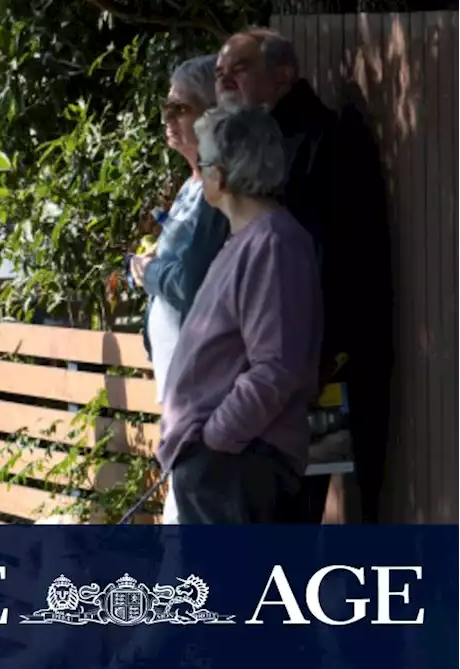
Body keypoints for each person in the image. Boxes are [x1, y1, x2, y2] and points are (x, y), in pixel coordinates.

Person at [216, 28, 393, 523]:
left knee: (289, 515)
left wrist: (319, 360)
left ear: (285, 75)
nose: (226, 82)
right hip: (269, 373)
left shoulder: (319, 142)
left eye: (241, 69)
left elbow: (334, 265)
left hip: (309, 370)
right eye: (219, 73)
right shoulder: (258, 142)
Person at [159, 104, 323, 524]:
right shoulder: (247, 239)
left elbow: (276, 366)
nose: (202, 170)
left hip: (239, 465)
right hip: (223, 464)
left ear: (227, 172)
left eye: (207, 160)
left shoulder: (272, 243)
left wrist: (215, 438)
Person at [129, 54, 229, 524]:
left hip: (203, 386)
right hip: (178, 384)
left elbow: (192, 283)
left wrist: (148, 272)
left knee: (188, 520)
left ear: (212, 113)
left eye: (180, 108)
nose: (168, 119)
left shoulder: (216, 190)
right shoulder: (191, 185)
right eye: (166, 108)